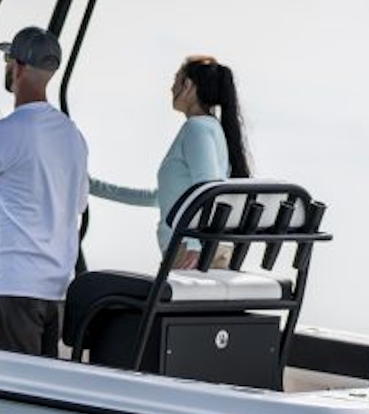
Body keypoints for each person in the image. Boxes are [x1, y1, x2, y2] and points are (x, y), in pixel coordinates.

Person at [0, 26, 89, 357]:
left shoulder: (1, 133)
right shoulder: (72, 135)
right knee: (41, 381)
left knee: (9, 381)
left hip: (14, 286)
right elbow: (79, 203)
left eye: (7, 60)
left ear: (18, 67)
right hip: (56, 288)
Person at [89, 55, 251, 267]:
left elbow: (208, 188)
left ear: (188, 85)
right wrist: (90, 186)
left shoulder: (197, 128)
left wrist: (194, 244)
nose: (171, 88)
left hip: (192, 251)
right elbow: (160, 198)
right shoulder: (208, 128)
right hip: (198, 248)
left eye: (176, 79)